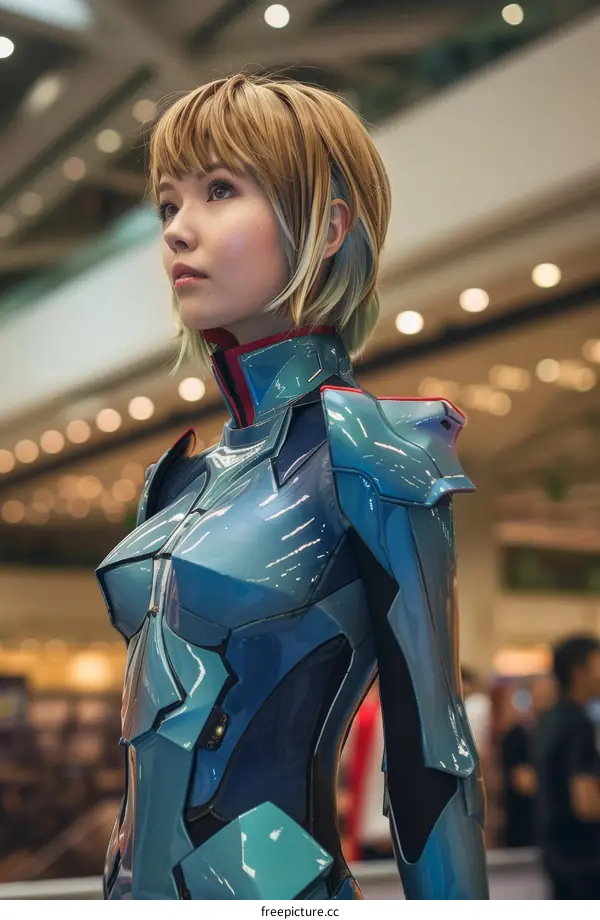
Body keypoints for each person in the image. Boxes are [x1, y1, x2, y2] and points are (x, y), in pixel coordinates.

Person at [95, 73, 488, 900]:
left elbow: (431, 762)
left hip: (279, 897)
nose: (178, 230)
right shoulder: (174, 479)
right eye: (167, 205)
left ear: (329, 224)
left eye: (219, 190)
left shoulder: (370, 450)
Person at [535, 635, 600, 898]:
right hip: (584, 859)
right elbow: (586, 804)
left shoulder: (550, 720)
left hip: (557, 853)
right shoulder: (578, 725)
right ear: (578, 672)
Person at [500, 676, 555, 848]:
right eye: (541, 697)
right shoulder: (516, 736)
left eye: (550, 698)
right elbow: (524, 782)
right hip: (525, 827)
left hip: (555, 834)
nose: (545, 703)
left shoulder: (559, 735)